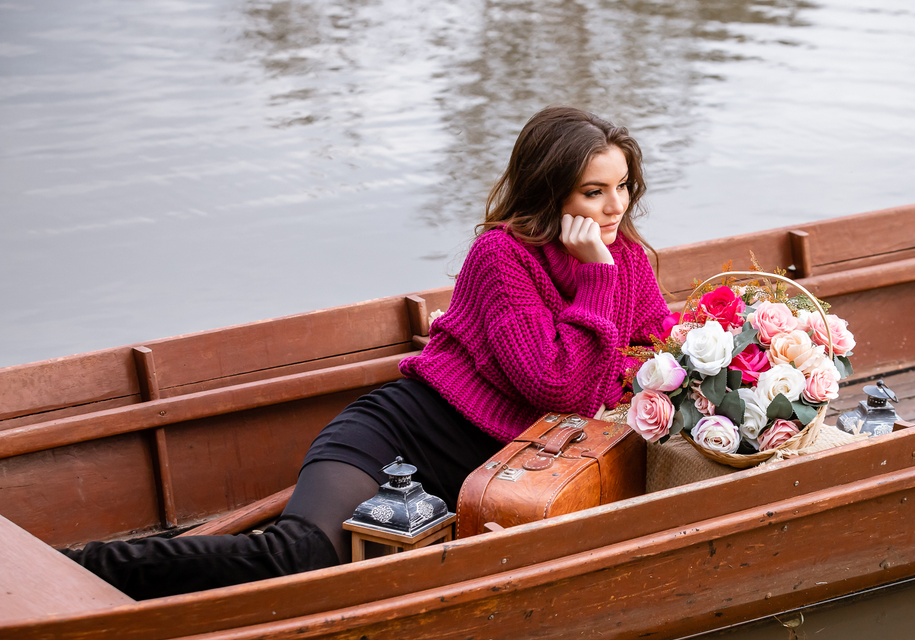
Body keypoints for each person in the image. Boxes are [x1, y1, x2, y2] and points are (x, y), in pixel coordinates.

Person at [65, 106, 671, 599]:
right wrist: (595, 282)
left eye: (621, 187)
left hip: (498, 469)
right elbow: (556, 386)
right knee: (297, 556)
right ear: (550, 193)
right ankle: (80, 569)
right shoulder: (501, 258)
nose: (615, 207)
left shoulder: (632, 263)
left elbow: (654, 348)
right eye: (594, 192)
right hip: (403, 432)